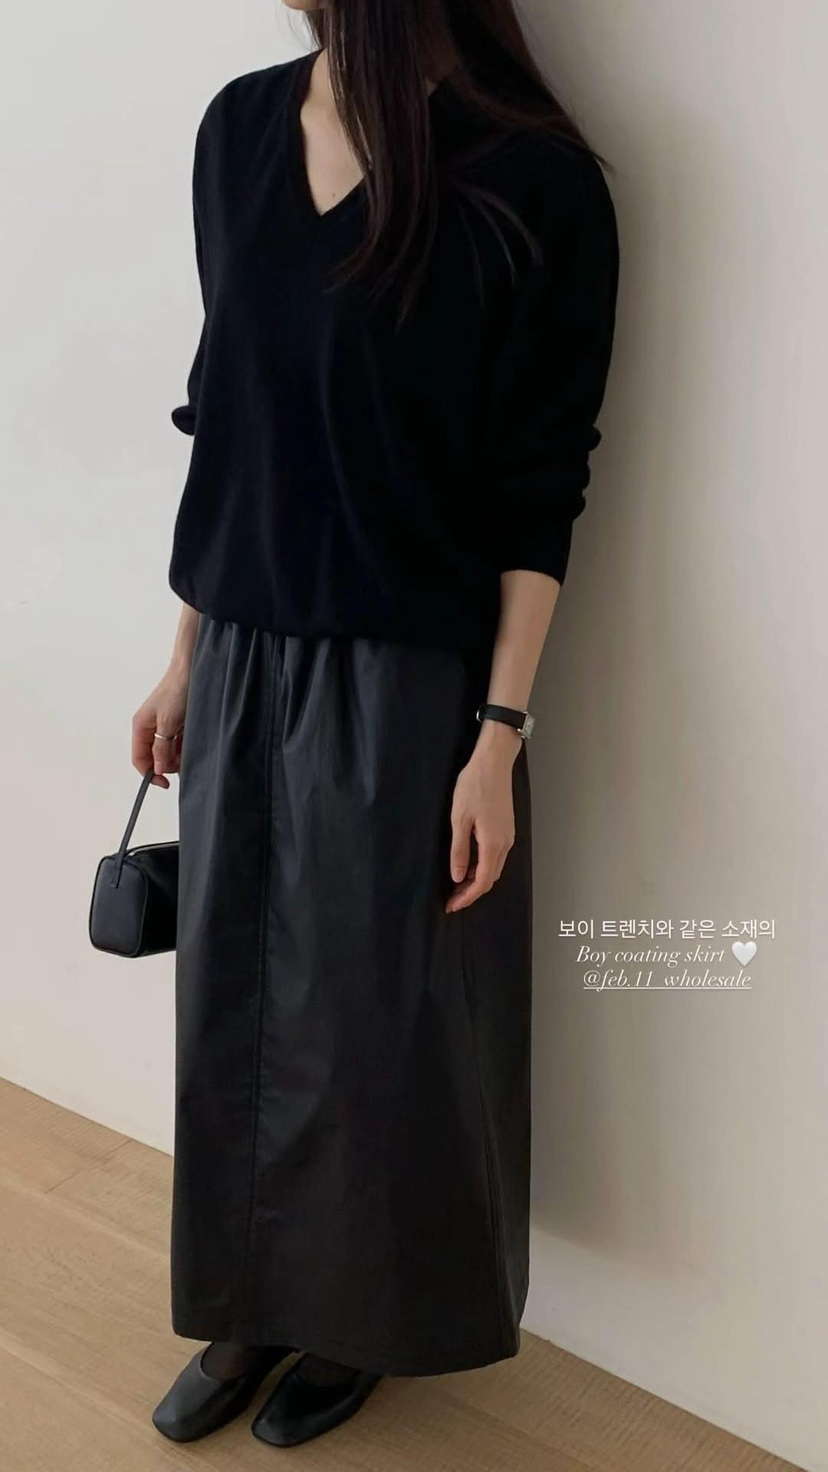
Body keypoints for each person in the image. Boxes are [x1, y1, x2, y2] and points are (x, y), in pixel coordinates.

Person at [136, 0, 619, 1451]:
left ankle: (361, 1321)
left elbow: (541, 481)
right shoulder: (238, 127)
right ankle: (247, 1304)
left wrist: (497, 735)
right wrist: (182, 657)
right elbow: (229, 414)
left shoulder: (533, 178)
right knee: (233, 1006)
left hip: (408, 680)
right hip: (242, 652)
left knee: (372, 1031)